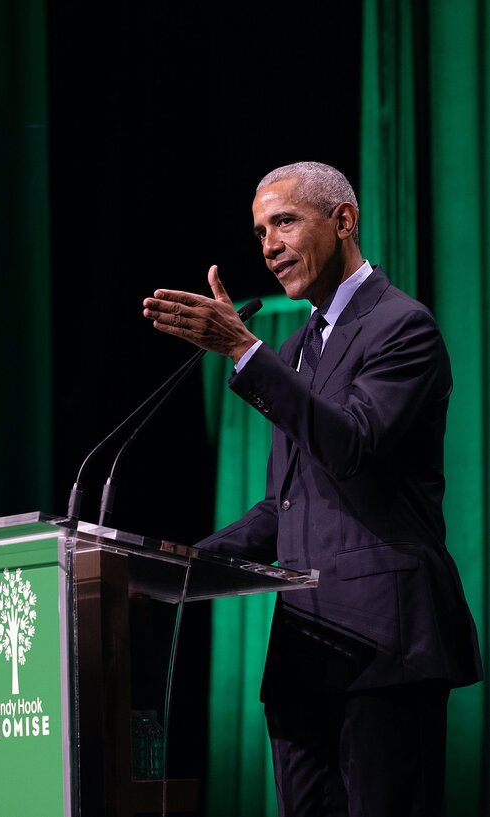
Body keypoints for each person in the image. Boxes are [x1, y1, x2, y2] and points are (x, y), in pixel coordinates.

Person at [142, 161, 482, 817]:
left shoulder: (401, 325)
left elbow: (351, 443)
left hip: (386, 643)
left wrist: (245, 354)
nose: (267, 245)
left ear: (343, 219)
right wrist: (177, 562)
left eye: (283, 221)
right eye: (259, 231)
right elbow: (283, 504)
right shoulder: (297, 348)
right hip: (305, 650)